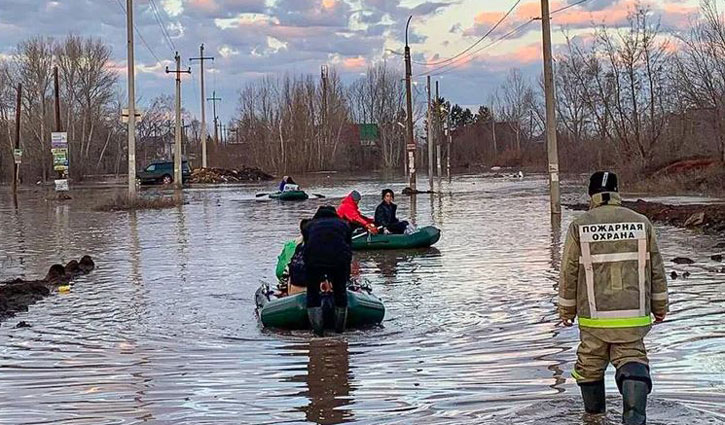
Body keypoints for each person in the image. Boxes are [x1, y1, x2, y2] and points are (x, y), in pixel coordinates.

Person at [559, 171, 668, 425]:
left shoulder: (580, 226)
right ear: (618, 193)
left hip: (594, 319)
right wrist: (660, 307)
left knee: (589, 367)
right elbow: (657, 270)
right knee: (633, 360)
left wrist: (566, 311)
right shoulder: (641, 223)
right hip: (633, 317)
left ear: (591, 195)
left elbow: (568, 272)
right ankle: (634, 419)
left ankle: (595, 418)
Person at [303, 206, 353, 336]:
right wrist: (346, 274)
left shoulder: (309, 226)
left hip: (314, 260)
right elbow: (348, 248)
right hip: (339, 259)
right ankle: (339, 332)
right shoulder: (344, 225)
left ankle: (318, 333)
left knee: (313, 294)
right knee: (340, 292)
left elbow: (307, 246)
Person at [275, 219, 310, 295]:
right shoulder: (321, 252)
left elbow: (284, 272)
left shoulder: (297, 249)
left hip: (294, 292)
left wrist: (283, 288)